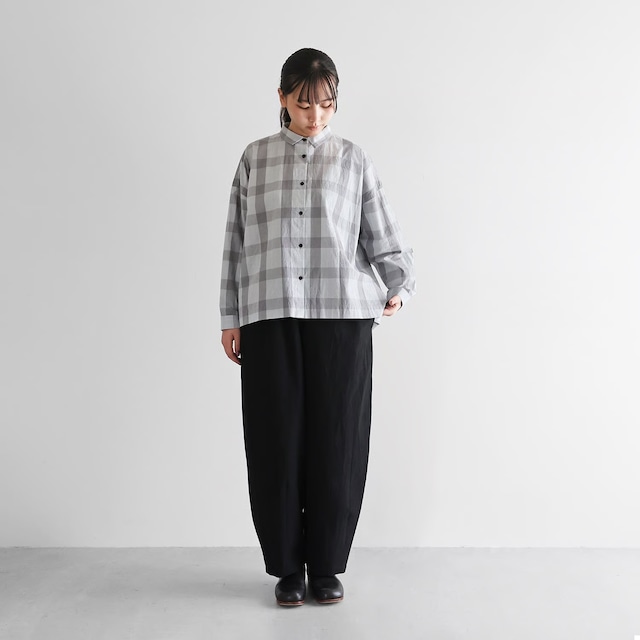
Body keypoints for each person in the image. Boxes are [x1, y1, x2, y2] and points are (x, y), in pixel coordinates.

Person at [219, 47, 416, 606]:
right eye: (305, 104)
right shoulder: (255, 158)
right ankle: (286, 568)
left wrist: (399, 286)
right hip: (270, 313)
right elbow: (235, 242)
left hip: (342, 317)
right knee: (274, 440)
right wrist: (230, 315)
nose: (316, 116)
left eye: (326, 105)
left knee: (338, 440)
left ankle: (326, 566)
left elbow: (383, 235)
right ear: (282, 97)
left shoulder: (354, 160)